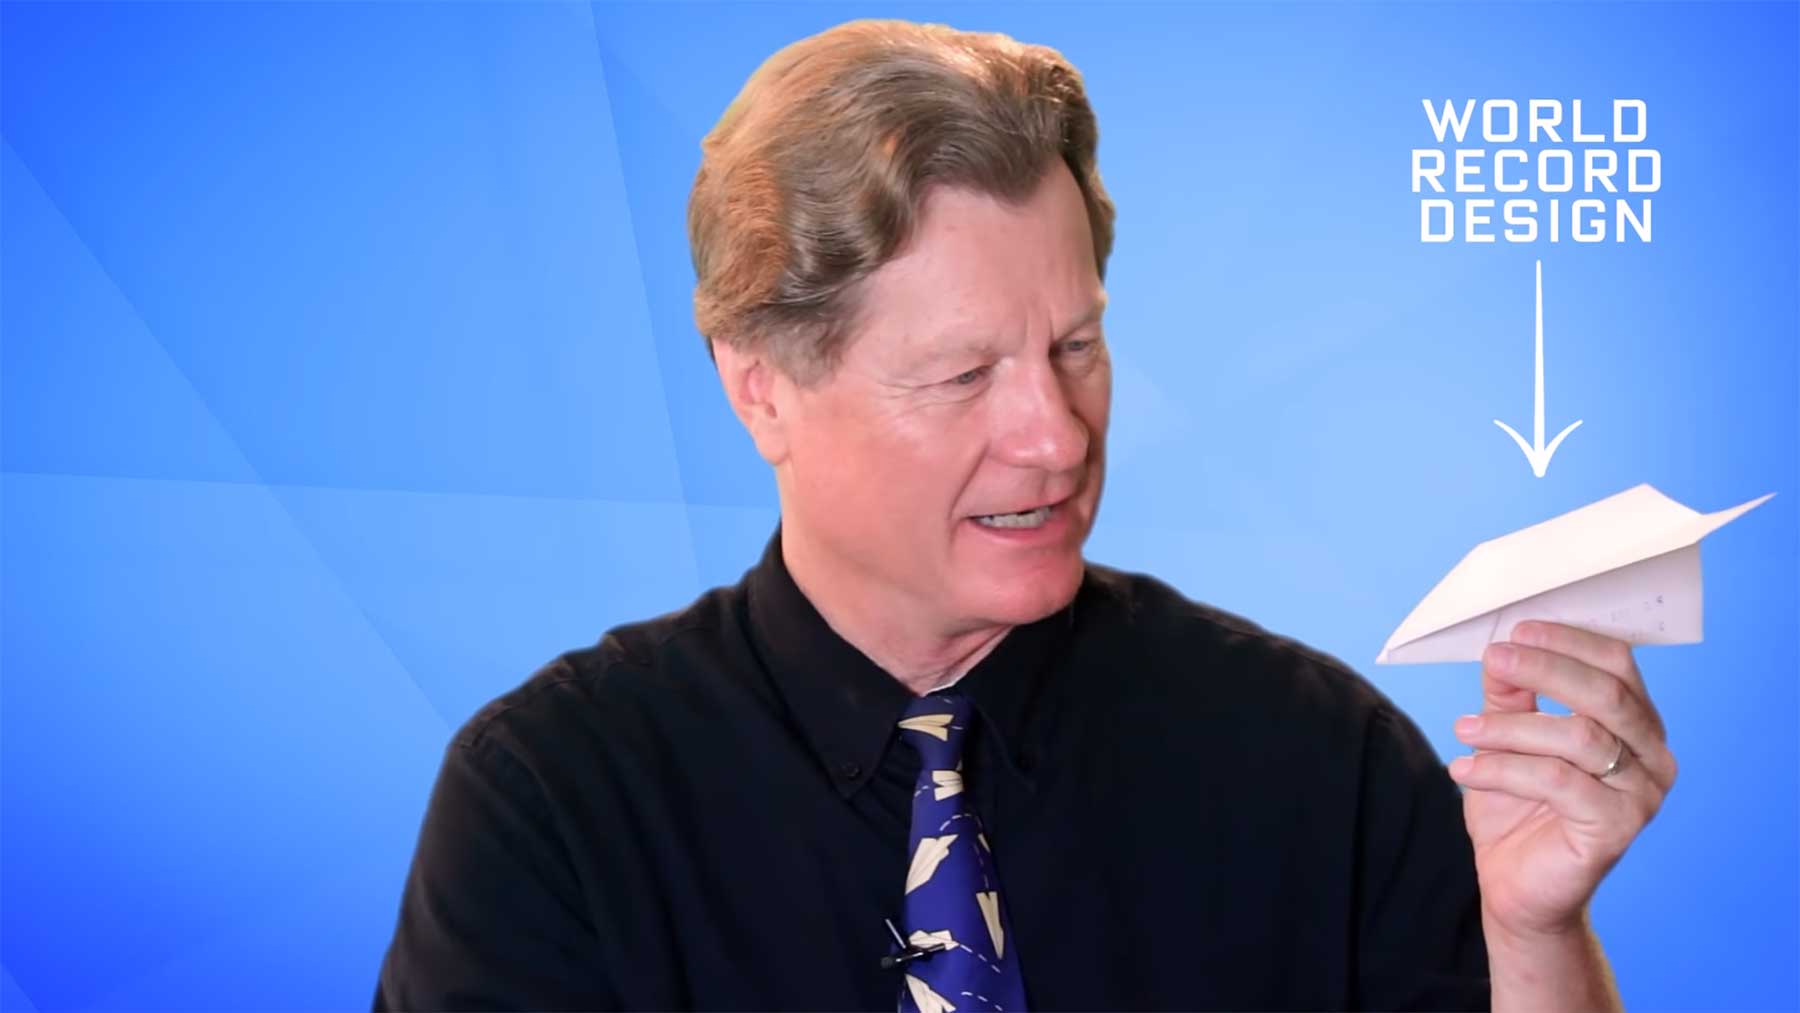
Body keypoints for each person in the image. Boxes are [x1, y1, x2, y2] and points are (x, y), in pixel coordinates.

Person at [373, 18, 1674, 1012]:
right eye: (962, 375)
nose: (1057, 437)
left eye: (1076, 347)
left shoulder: (1320, 764)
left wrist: (1535, 935)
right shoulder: (555, 808)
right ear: (761, 386)